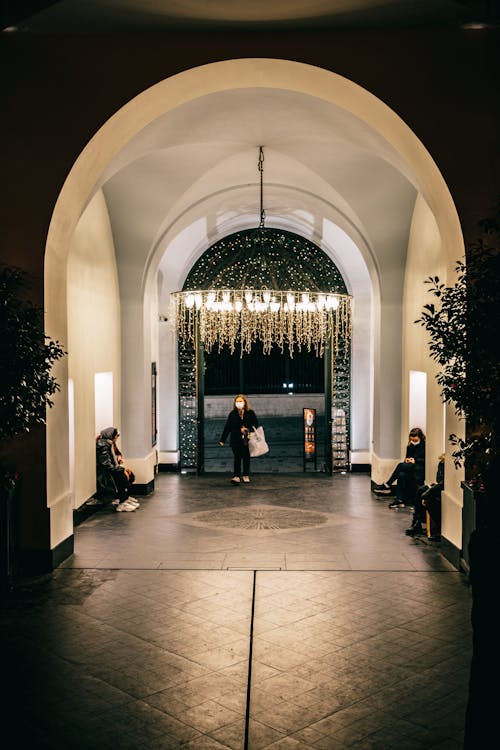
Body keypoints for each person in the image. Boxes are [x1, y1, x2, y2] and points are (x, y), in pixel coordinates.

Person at [372, 427, 426, 508]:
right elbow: (407, 457)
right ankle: (399, 500)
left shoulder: (425, 446)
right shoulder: (410, 446)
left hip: (419, 469)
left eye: (415, 440)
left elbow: (426, 460)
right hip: (411, 467)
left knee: (401, 465)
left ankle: (387, 484)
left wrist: (415, 460)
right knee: (401, 474)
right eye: (412, 440)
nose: (413, 442)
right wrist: (407, 460)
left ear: (420, 437)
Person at [95, 427, 139, 511]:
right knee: (121, 475)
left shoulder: (107, 443)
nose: (116, 438)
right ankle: (123, 502)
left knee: (124, 473)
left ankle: (125, 499)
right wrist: (120, 469)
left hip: (105, 470)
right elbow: (106, 464)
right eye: (116, 436)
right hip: (102, 472)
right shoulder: (104, 445)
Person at [219, 394, 259, 484]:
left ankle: (245, 475)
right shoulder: (232, 414)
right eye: (237, 401)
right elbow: (227, 427)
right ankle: (236, 476)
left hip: (247, 439)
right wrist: (222, 439)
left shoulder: (250, 413)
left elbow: (256, 425)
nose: (239, 403)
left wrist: (248, 429)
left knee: (246, 457)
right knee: (237, 457)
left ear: (244, 402)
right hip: (235, 439)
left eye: (240, 401)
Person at [405, 454, 444, 538]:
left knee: (425, 495)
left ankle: (417, 522)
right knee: (421, 490)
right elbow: (440, 480)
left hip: (441, 488)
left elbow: (444, 482)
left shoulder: (445, 464)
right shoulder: (442, 463)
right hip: (439, 486)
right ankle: (416, 521)